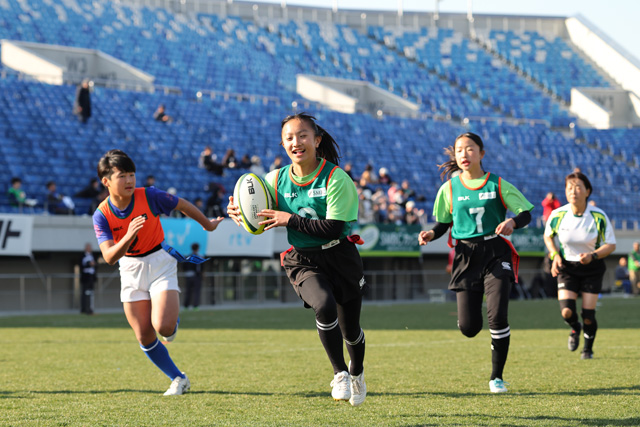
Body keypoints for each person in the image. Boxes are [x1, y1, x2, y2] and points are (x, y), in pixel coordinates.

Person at [227, 113, 368, 406]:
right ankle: (339, 373)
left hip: (340, 256)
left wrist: (289, 219)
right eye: (289, 138)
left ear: (317, 140)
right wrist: (239, 212)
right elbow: (256, 214)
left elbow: (333, 228)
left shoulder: (336, 178)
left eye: (303, 135)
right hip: (303, 259)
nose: (296, 142)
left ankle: (356, 371)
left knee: (351, 331)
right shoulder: (274, 180)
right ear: (283, 144)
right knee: (323, 305)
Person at [92, 149, 224, 396]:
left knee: (163, 327)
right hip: (129, 268)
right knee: (144, 336)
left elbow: (182, 204)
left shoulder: (149, 196)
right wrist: (128, 237)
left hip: (160, 261)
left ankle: (172, 324)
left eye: (132, 174)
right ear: (106, 181)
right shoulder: (101, 215)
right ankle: (178, 378)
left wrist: (208, 225)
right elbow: (109, 257)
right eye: (122, 176)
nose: (130, 180)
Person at [418, 132, 534, 393]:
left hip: (496, 252)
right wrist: (430, 234)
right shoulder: (448, 189)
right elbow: (443, 223)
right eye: (459, 150)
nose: (464, 154)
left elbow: (525, 213)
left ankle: (497, 377)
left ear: (481, 153)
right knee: (469, 328)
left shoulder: (497, 184)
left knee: (498, 316)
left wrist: (512, 221)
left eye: (470, 149)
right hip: (466, 255)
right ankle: (470, 319)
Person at [543, 171, 616, 360]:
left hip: (592, 268)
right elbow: (548, 236)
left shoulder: (598, 216)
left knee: (588, 315)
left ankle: (587, 349)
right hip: (567, 267)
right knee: (567, 312)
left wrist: (593, 255)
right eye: (569, 188)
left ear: (587, 191)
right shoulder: (558, 214)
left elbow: (611, 245)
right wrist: (554, 255)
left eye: (577, 187)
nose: (573, 191)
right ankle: (575, 328)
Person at [183, 243, 204, 310]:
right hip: (196, 276)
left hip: (188, 275)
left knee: (188, 291)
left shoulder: (188, 256)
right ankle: (195, 306)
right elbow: (200, 267)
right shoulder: (199, 256)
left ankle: (186, 306)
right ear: (198, 248)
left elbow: (184, 266)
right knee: (196, 291)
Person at [79, 243, 97, 315]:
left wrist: (94, 264)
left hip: (91, 277)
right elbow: (81, 266)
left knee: (91, 293)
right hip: (85, 278)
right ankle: (84, 309)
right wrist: (89, 264)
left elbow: (96, 265)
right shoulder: (82, 256)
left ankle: (90, 308)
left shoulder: (93, 256)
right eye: (88, 247)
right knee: (85, 293)